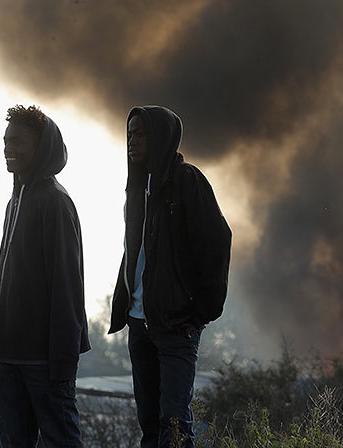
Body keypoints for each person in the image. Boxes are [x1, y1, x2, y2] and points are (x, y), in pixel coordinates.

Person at [109, 105, 231, 448]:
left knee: (174, 426)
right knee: (149, 424)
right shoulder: (137, 187)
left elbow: (217, 242)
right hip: (138, 323)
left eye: (140, 133)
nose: (132, 140)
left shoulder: (187, 181)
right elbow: (134, 250)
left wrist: (200, 314)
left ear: (160, 137)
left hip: (176, 326)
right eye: (129, 133)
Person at [0, 105, 90, 447]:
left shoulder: (55, 202)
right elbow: (5, 272)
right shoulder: (15, 201)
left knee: (61, 442)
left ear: (41, 145)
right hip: (9, 355)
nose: (8, 149)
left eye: (17, 141)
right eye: (4, 141)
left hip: (44, 360)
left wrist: (63, 360)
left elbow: (67, 285)